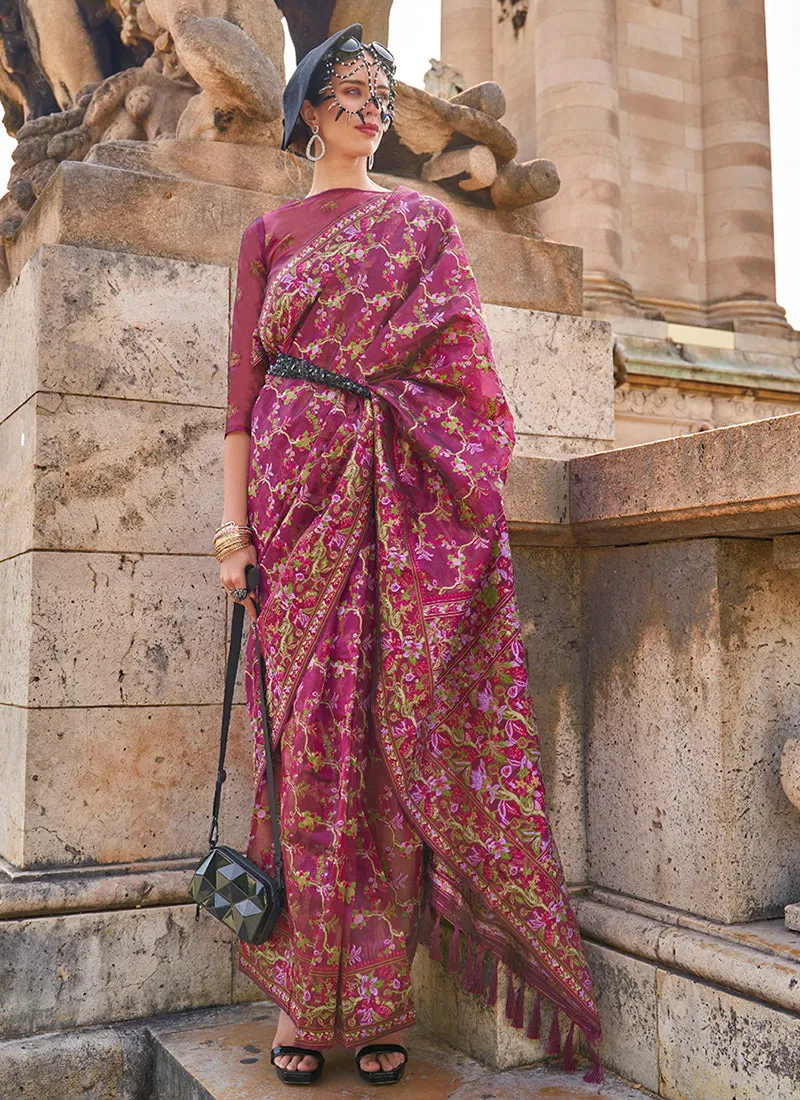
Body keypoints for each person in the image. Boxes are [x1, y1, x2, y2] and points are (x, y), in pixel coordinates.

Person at [215, 22, 604, 1089]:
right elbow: (240, 403)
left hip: (394, 513)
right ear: (307, 110)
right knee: (303, 756)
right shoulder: (266, 235)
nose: (368, 109)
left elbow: (466, 383)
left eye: (378, 94)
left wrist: (434, 475)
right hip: (291, 513)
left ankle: (377, 1003)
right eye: (347, 93)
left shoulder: (422, 228)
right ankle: (304, 1000)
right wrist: (230, 530)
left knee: (384, 762)